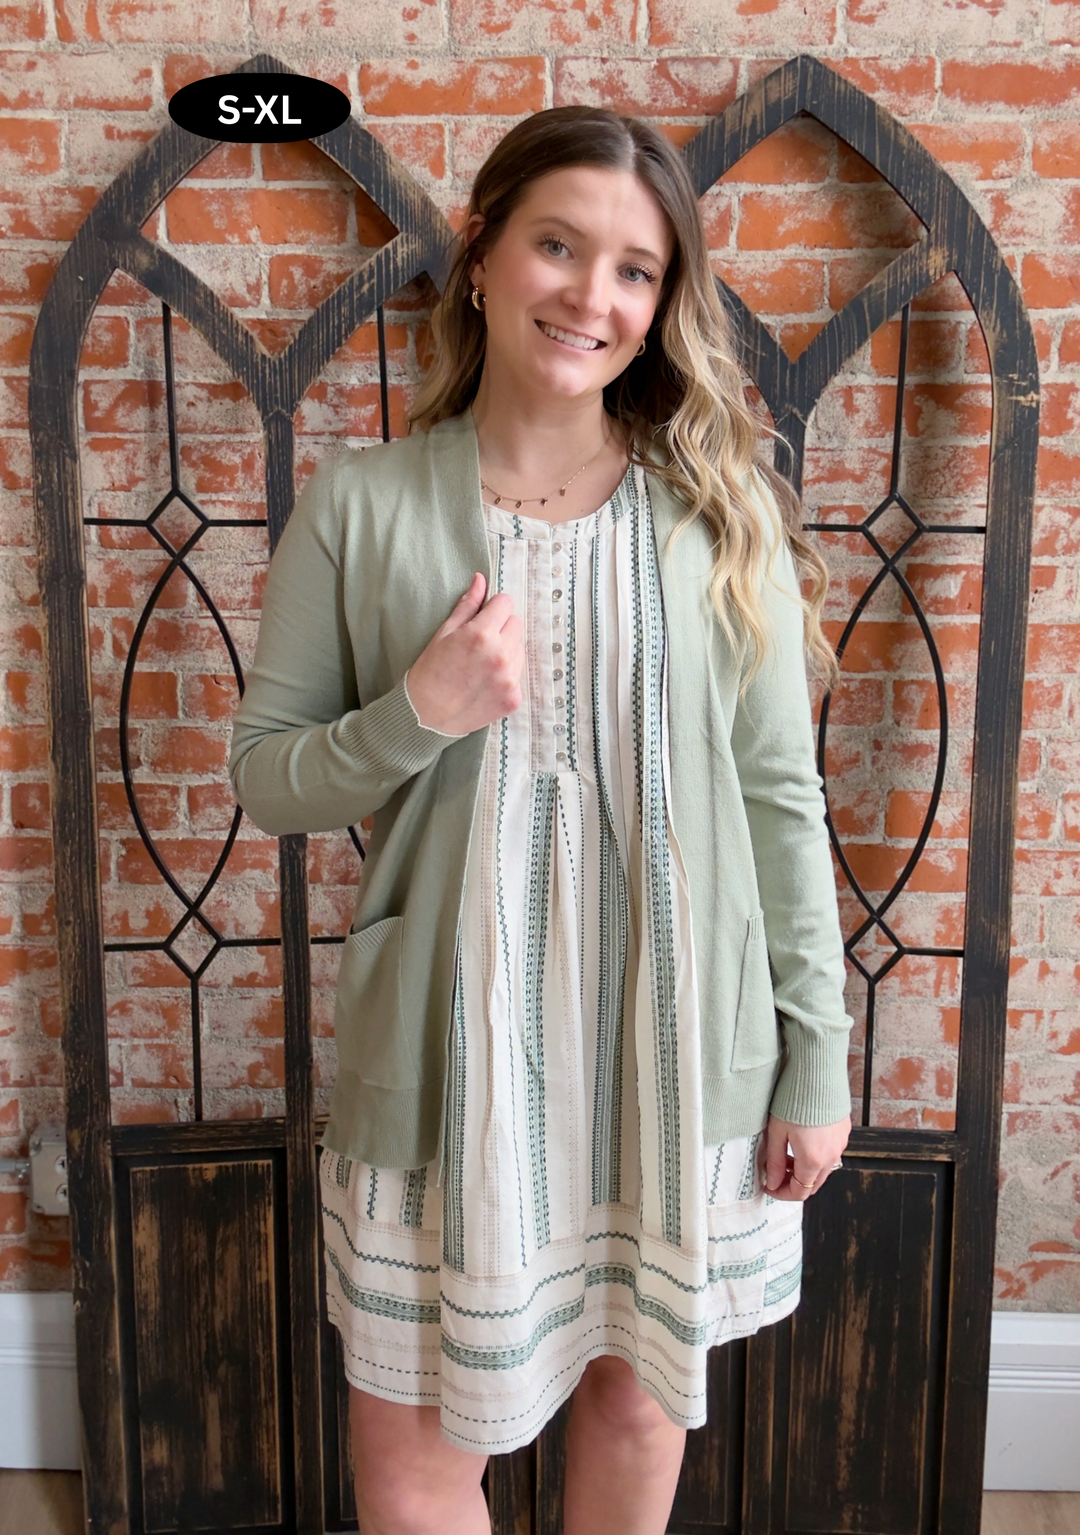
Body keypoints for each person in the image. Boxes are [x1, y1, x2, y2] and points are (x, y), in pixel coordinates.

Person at [229, 105, 853, 1535]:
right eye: (559, 247)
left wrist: (815, 1054)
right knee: (413, 1465)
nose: (592, 296)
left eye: (636, 269)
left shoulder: (717, 516)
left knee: (634, 1405)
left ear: (663, 301)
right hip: (448, 1063)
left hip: (671, 1049)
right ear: (481, 254)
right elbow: (268, 777)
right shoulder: (360, 505)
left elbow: (780, 797)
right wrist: (418, 711)